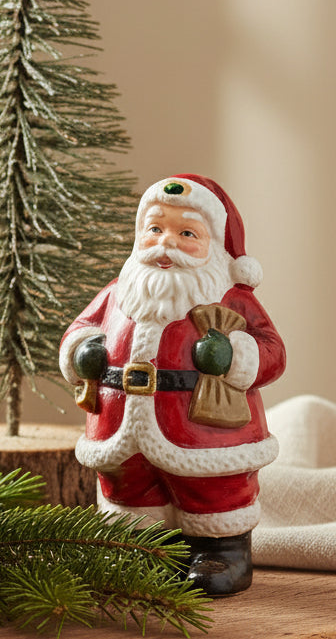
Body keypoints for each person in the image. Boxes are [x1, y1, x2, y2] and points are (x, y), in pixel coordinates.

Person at [60, 175, 286, 595]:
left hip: (208, 431)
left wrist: (236, 355)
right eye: (155, 229)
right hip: (119, 423)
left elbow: (272, 351)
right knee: (128, 490)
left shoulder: (231, 298)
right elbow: (82, 327)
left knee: (213, 491)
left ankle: (221, 551)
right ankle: (137, 550)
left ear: (215, 245)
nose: (167, 243)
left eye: (187, 233)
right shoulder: (118, 292)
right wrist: (79, 350)